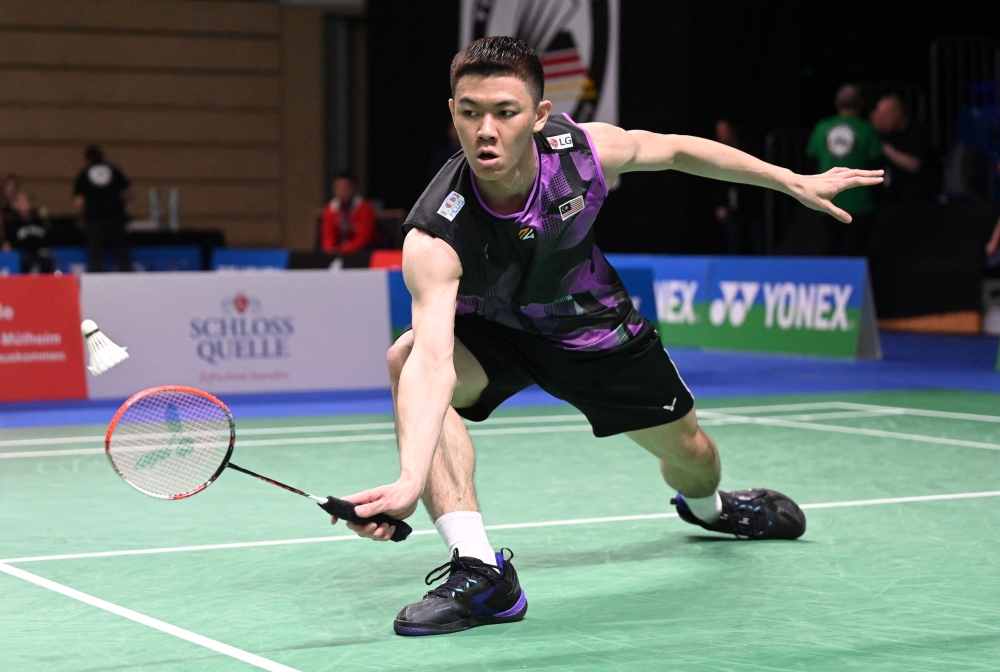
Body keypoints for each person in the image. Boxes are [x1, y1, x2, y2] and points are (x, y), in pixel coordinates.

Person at [330, 37, 881, 637]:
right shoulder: (436, 232)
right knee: (406, 353)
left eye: (505, 112)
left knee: (693, 455)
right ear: (453, 112)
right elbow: (435, 361)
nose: (485, 130)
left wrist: (789, 180)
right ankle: (480, 569)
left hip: (593, 328)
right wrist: (410, 478)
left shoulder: (578, 152)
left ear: (539, 117)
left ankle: (712, 509)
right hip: (495, 333)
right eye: (469, 112)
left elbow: (671, 150)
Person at [806, 84, 883, 256]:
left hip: (826, 200)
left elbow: (811, 161)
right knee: (854, 258)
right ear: (860, 104)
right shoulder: (867, 130)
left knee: (829, 257)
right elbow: (877, 164)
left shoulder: (821, 128)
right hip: (860, 203)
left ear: (837, 103)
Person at [73, 145, 132, 272]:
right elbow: (128, 192)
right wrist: (120, 205)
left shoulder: (84, 174)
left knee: (96, 255)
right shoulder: (114, 170)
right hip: (115, 217)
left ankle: (96, 283)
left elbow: (80, 201)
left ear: (87, 159)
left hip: (95, 219)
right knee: (121, 254)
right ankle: (128, 281)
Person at [711, 119, 765, 254]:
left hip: (752, 204)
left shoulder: (744, 149)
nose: (722, 134)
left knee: (757, 241)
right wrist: (720, 204)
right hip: (732, 208)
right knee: (735, 243)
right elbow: (717, 184)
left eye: (724, 131)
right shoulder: (713, 154)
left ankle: (760, 271)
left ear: (731, 131)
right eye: (719, 132)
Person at [870, 94, 934, 203]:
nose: (881, 121)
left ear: (898, 114)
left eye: (885, 116)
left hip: (918, 198)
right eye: (879, 117)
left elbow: (914, 165)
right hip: (890, 198)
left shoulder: (917, 132)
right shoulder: (882, 134)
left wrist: (885, 148)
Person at [319, 171, 377, 256]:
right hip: (339, 249)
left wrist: (344, 249)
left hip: (362, 249)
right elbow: (328, 235)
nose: (342, 192)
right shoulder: (330, 209)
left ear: (353, 189)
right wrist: (330, 248)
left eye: (345, 188)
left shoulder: (364, 207)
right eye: (339, 188)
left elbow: (364, 237)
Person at [3, 190, 54, 273]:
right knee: (25, 259)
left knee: (47, 261)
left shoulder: (39, 221)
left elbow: (48, 239)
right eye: (20, 202)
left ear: (31, 203)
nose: (23, 205)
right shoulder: (12, 223)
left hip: (39, 251)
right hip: (21, 253)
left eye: (25, 202)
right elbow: (8, 243)